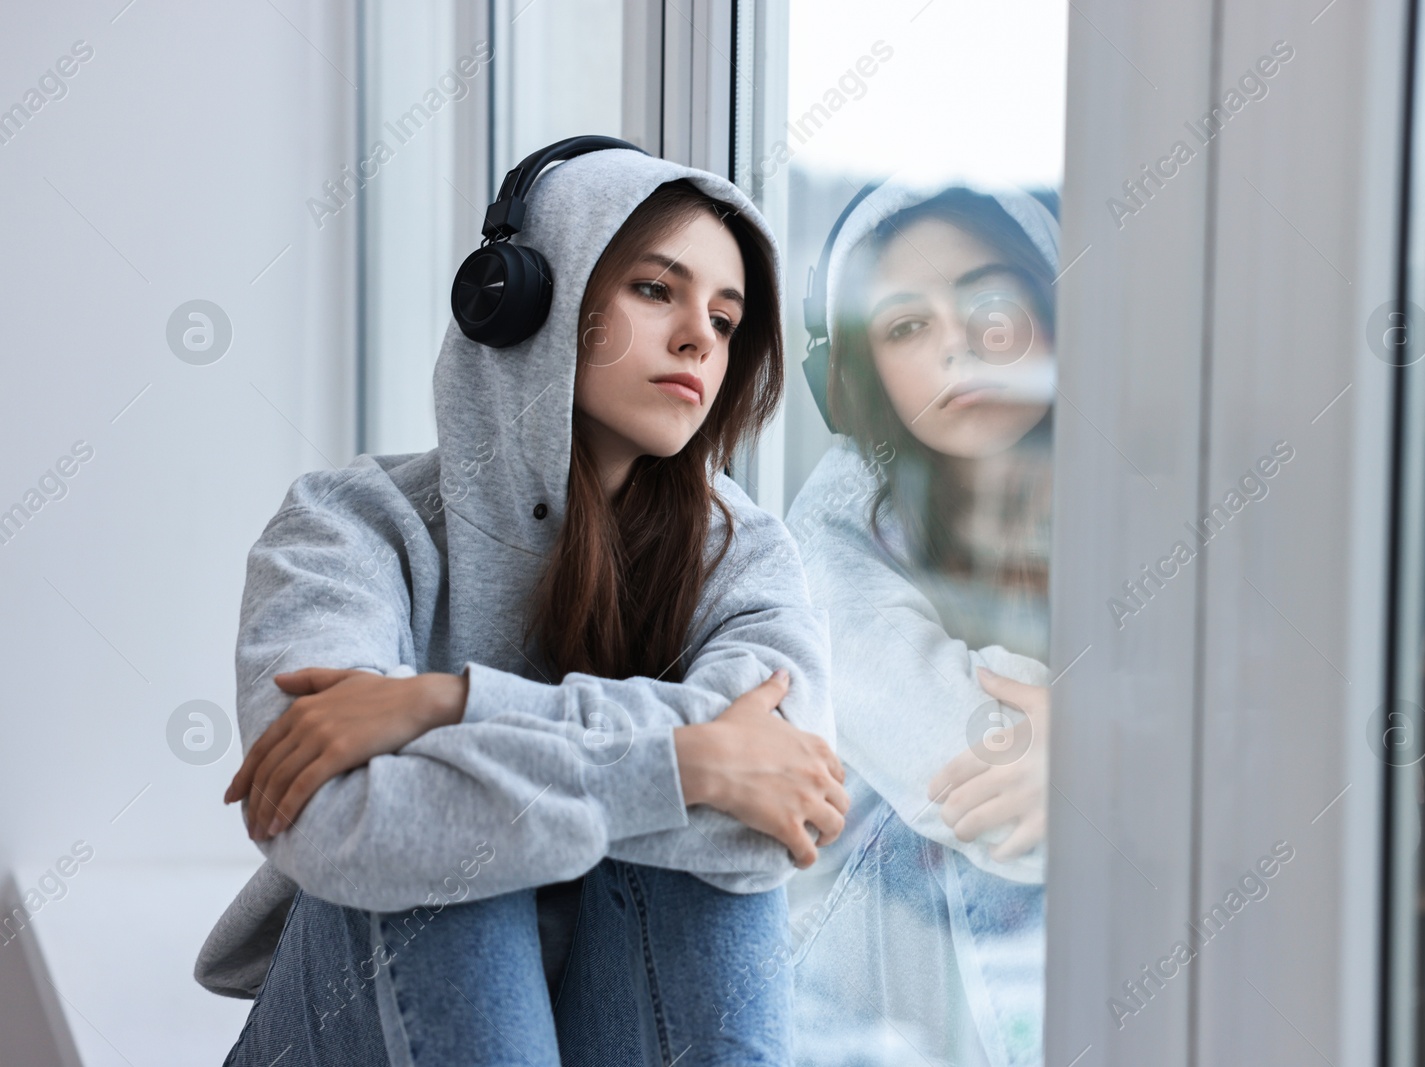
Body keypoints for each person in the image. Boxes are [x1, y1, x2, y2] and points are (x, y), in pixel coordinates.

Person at [193, 140, 848, 1067]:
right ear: (522, 301)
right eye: (657, 290)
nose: (702, 336)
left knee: (706, 865)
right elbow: (343, 820)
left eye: (727, 316)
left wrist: (448, 703)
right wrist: (687, 759)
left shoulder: (742, 553)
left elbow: (780, 816)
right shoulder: (348, 528)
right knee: (454, 855)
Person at [782, 180, 1058, 1066]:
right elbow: (977, 776)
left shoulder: (1153, 490)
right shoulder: (828, 535)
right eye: (906, 325)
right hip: (866, 1022)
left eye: (989, 299)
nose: (961, 344)